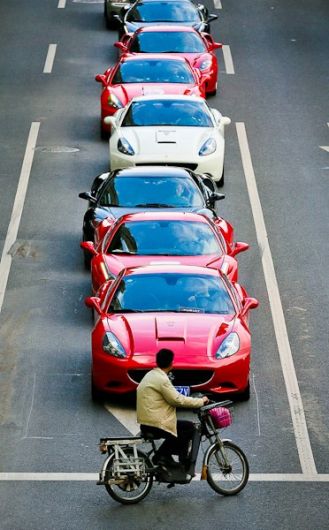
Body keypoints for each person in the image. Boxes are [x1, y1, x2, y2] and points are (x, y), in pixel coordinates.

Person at [136, 349, 209, 468]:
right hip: (155, 423)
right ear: (171, 363)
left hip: (147, 421)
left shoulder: (151, 374)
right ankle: (165, 456)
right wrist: (200, 401)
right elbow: (177, 400)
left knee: (181, 427)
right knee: (189, 428)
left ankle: (166, 456)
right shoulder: (162, 379)